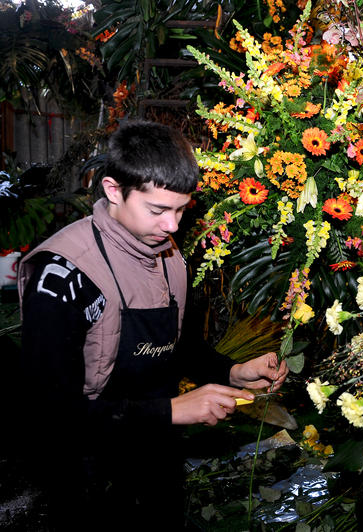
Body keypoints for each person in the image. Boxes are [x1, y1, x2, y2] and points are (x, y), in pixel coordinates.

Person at [15, 120, 288, 531]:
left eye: (181, 209)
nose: (173, 226)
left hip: (155, 452)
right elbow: (53, 413)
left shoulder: (167, 253)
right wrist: (173, 410)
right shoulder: (63, 276)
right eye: (158, 210)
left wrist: (232, 371)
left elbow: (174, 344)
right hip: (87, 467)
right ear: (112, 190)